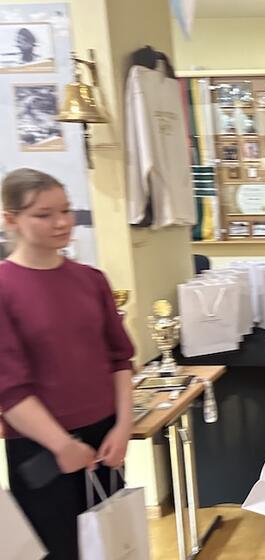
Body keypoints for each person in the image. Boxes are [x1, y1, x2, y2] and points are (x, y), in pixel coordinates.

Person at [0, 168, 134, 559]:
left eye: (65, 210)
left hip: (105, 438)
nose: (61, 223)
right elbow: (9, 388)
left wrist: (123, 427)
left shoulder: (91, 280)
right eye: (44, 215)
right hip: (40, 445)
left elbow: (119, 358)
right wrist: (61, 445)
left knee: (112, 545)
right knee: (59, 549)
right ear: (11, 220)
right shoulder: (5, 288)